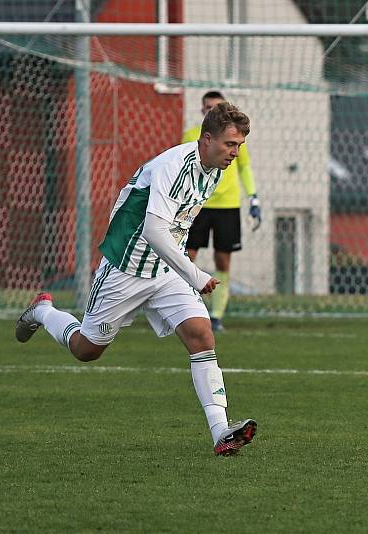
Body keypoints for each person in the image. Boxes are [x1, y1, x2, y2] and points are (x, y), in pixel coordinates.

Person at [15, 102, 257, 456]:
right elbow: (154, 230)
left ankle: (221, 431)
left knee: (201, 335)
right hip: (124, 270)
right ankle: (43, 311)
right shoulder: (173, 166)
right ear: (207, 139)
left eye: (239, 146)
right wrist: (194, 272)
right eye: (230, 145)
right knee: (87, 350)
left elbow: (174, 228)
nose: (235, 153)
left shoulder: (215, 170)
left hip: (163, 271)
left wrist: (181, 273)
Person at [184, 91, 260, 332]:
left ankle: (216, 315)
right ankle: (184, 309)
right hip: (199, 205)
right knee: (185, 258)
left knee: (222, 260)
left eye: (217, 107)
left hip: (227, 205)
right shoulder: (191, 136)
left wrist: (253, 197)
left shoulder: (234, 137)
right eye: (208, 107)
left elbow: (244, 167)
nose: (212, 111)